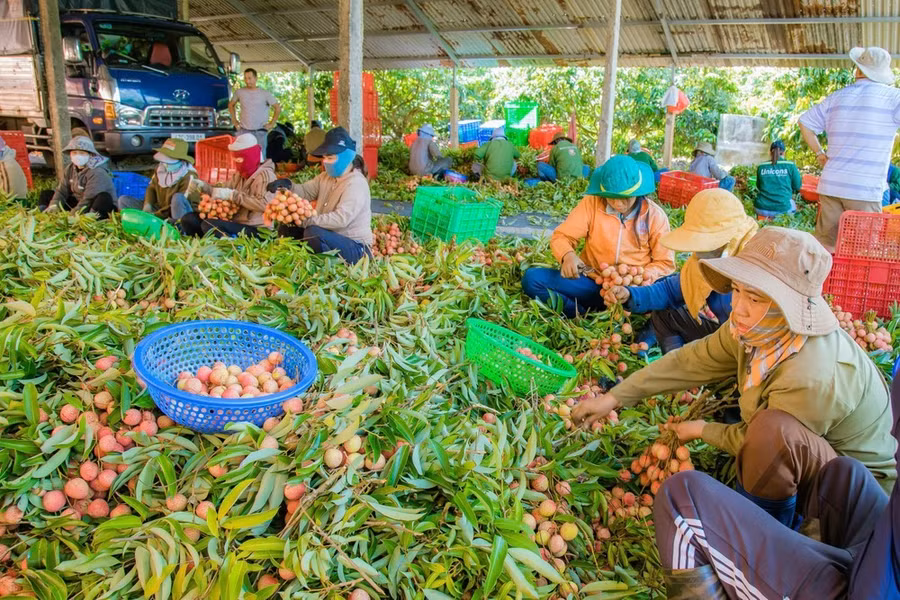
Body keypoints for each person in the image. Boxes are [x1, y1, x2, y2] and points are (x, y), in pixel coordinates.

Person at [572, 227, 896, 525]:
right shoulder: (755, 330)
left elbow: (765, 442)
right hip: (805, 451)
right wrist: (615, 397)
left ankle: (770, 538)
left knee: (769, 437)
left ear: (789, 307)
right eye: (737, 291)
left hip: (857, 499)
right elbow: (690, 360)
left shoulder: (812, 374)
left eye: (754, 298)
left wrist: (702, 430)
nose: (738, 307)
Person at [652, 373, 900, 599]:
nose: (737, 326)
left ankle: (796, 579)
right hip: (880, 560)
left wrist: (704, 430)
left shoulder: (808, 368)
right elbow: (705, 354)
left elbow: (752, 435)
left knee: (680, 497)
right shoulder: (765, 348)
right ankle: (799, 561)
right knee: (844, 474)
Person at [521, 155, 675, 318]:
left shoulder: (654, 216)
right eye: (612, 198)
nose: (618, 204)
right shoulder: (592, 204)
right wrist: (568, 255)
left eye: (625, 199)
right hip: (593, 283)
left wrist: (639, 278)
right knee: (532, 278)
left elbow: (665, 262)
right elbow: (562, 236)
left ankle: (644, 328)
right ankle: (578, 313)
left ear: (637, 193)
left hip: (634, 291)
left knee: (673, 289)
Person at [607, 189, 758, 354]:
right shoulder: (704, 260)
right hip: (721, 335)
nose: (698, 251)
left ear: (728, 240)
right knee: (664, 313)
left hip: (748, 347)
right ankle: (675, 361)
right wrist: (629, 295)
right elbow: (670, 291)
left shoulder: (754, 267)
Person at [799, 47, 900, 252]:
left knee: (825, 249)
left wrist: (820, 154)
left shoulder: (837, 97)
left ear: (858, 70)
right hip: (864, 189)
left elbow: (805, 122)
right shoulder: (893, 98)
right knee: (863, 251)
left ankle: (826, 284)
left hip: (832, 184)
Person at [267, 127, 373, 264]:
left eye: (330, 158)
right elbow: (305, 191)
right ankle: (294, 262)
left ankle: (324, 267)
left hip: (357, 248)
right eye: (324, 158)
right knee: (287, 228)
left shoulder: (356, 184)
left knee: (313, 233)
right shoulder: (326, 177)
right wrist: (288, 185)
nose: (325, 162)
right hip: (330, 236)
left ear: (346, 158)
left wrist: (307, 220)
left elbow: (341, 219)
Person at [180, 133, 276, 237]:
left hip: (257, 229)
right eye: (235, 160)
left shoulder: (265, 176)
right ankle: (203, 245)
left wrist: (234, 196)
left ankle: (234, 245)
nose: (237, 165)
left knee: (210, 225)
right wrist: (204, 186)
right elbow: (224, 189)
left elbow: (265, 204)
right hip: (237, 223)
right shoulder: (240, 175)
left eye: (239, 160)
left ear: (251, 157)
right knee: (189, 219)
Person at [116, 138, 195, 221]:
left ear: (181, 160)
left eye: (169, 161)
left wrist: (155, 216)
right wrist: (147, 205)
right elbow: (151, 188)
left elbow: (180, 203)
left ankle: (176, 229)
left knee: (177, 198)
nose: (165, 164)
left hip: (176, 213)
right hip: (159, 208)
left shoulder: (189, 176)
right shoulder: (160, 169)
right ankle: (134, 224)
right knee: (123, 200)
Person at [39, 136, 116, 219]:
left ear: (90, 155)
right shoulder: (70, 168)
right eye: (74, 153)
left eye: (82, 153)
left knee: (103, 198)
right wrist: (54, 205)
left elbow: (88, 198)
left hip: (94, 205)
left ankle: (91, 221)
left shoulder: (97, 171)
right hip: (79, 202)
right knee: (47, 194)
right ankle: (44, 215)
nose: (77, 156)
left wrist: (73, 215)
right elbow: (62, 190)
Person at [228, 68, 281, 156]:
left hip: (260, 131)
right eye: (245, 78)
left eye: (250, 78)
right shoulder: (239, 92)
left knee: (260, 157)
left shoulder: (265, 94)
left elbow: (277, 108)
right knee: (241, 157)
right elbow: (231, 105)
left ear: (256, 78)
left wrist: (271, 124)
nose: (247, 81)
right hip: (244, 130)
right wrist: (234, 121)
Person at [754, 140, 802, 218]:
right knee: (792, 203)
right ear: (784, 153)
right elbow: (797, 186)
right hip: (783, 210)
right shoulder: (790, 165)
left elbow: (759, 186)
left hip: (760, 208)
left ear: (770, 153)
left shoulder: (761, 166)